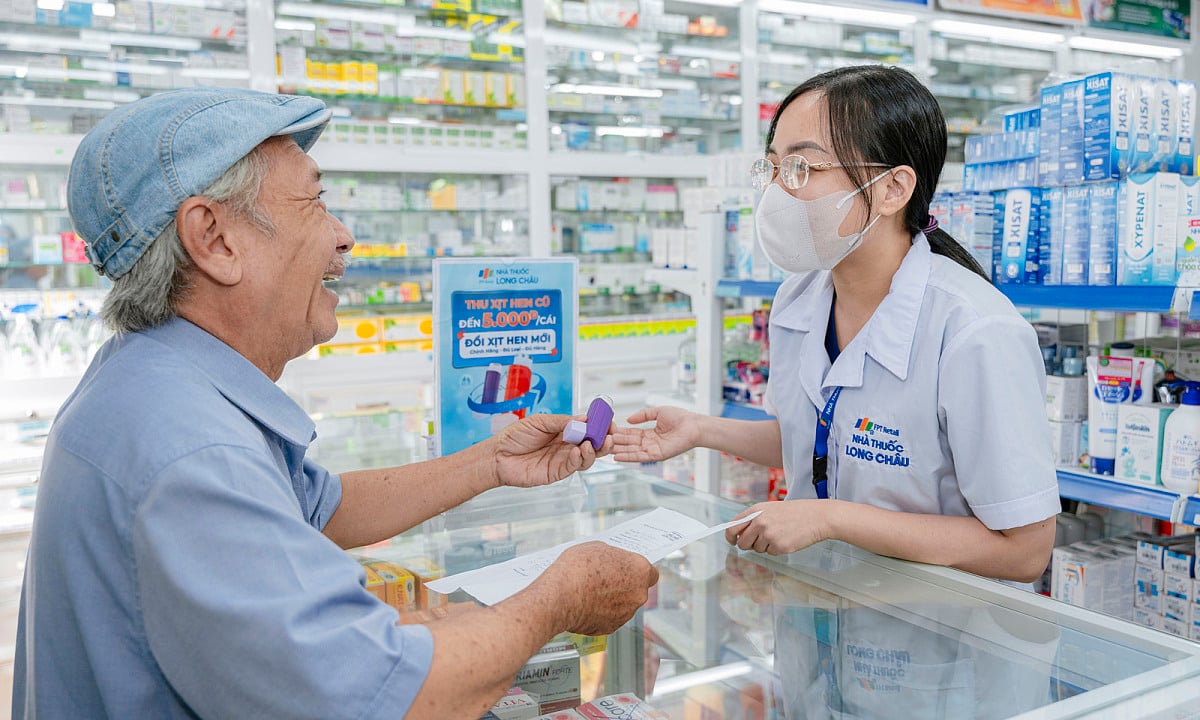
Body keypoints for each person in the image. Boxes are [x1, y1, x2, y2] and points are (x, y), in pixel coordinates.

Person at [14, 87, 658, 720]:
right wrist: (560, 597)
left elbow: (316, 509)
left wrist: (492, 462)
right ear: (213, 237)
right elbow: (392, 697)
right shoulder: (187, 449)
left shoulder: (156, 377)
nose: (344, 236)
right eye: (314, 202)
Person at [613, 65, 1058, 585]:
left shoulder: (975, 332)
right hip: (819, 606)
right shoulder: (798, 300)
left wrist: (831, 519)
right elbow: (814, 437)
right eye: (774, 167)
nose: (778, 191)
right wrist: (700, 430)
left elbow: (1025, 551)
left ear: (892, 189)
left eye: (803, 168)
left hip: (938, 636)